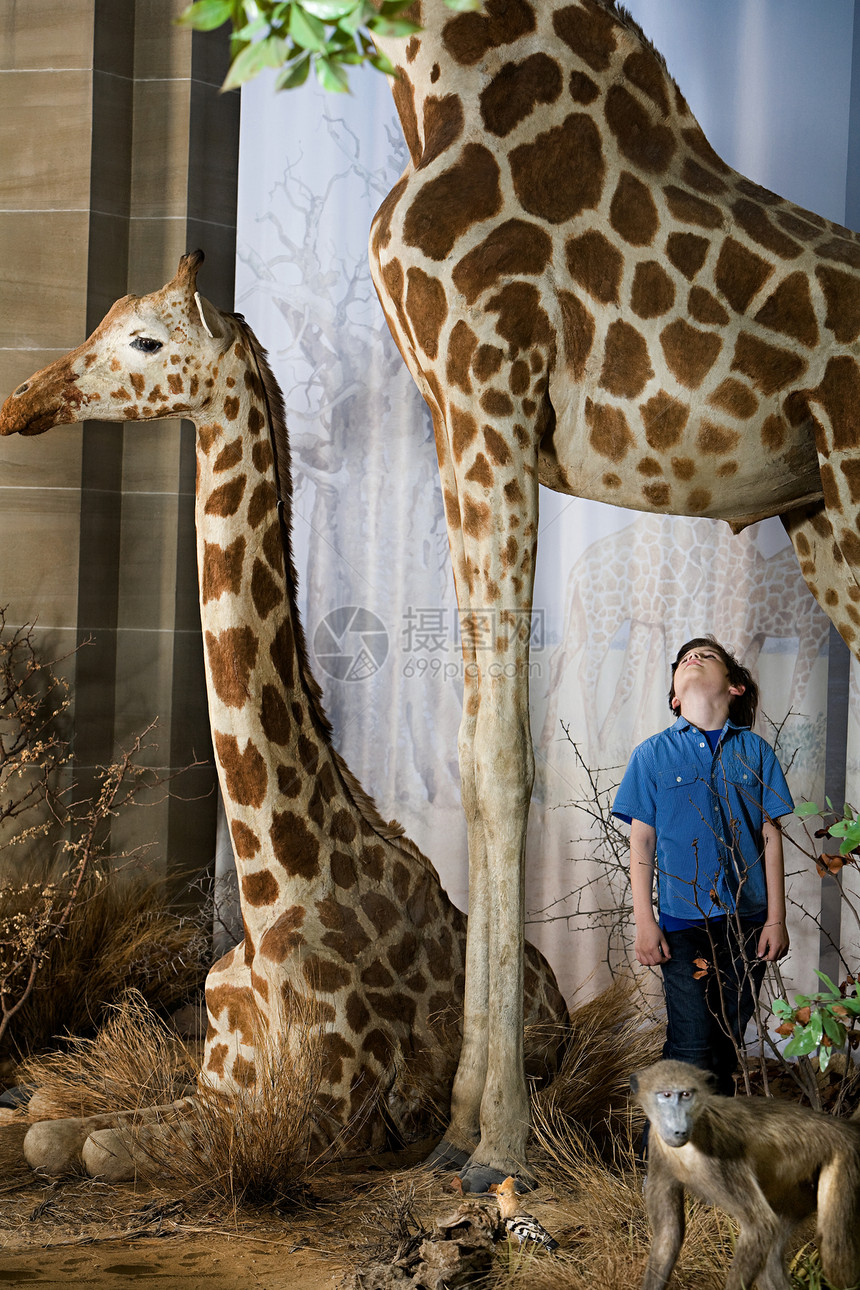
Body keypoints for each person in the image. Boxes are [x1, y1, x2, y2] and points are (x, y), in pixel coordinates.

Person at [613, 637, 792, 1096]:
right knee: (691, 1045)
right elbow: (643, 839)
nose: (693, 658)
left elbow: (771, 837)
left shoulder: (756, 753)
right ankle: (658, 1155)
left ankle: (711, 1151)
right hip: (682, 925)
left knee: (725, 1044)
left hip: (747, 922)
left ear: (733, 687)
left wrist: (775, 917)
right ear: (675, 697)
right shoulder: (651, 756)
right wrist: (645, 922)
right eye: (685, 659)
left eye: (706, 656)